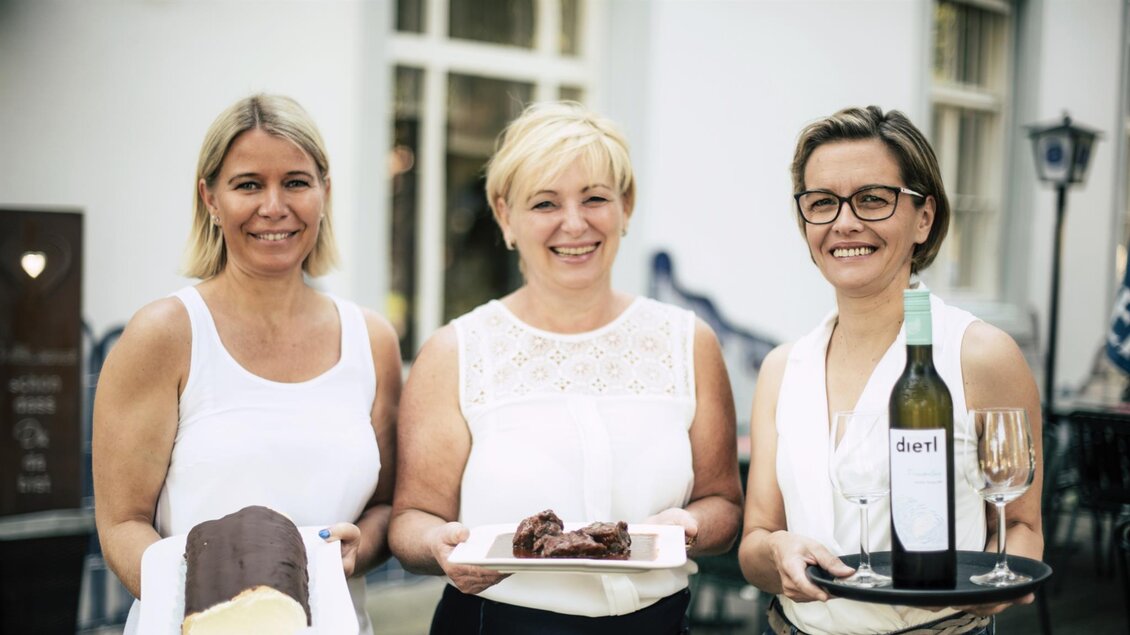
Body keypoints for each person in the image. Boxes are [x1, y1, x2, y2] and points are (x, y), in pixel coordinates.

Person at [388, 101, 744, 634]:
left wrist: (690, 525)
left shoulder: (688, 342)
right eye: (545, 203)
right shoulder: (456, 351)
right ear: (505, 215)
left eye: (595, 198)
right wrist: (437, 546)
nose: (574, 224)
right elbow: (412, 519)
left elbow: (723, 503)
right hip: (495, 623)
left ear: (626, 206)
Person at [92, 94, 401, 634]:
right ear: (210, 197)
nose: (274, 207)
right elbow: (121, 523)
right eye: (249, 184)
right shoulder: (165, 334)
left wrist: (364, 546)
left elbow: (383, 507)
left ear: (325, 192)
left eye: (297, 182)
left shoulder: (371, 340)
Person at [738, 105, 1044, 635]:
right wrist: (778, 552)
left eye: (873, 199)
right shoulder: (783, 368)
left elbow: (1021, 524)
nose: (845, 222)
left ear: (923, 217)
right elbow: (755, 542)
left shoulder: (980, 354)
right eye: (822, 203)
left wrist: (992, 589)